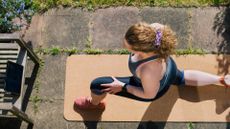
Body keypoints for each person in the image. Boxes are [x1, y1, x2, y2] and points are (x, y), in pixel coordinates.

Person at [74, 22, 230, 110]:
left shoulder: (148, 72)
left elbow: (149, 94)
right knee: (181, 77)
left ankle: (94, 104)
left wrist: (122, 86)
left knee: (98, 84)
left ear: (143, 51)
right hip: (170, 68)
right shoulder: (156, 31)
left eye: (129, 47)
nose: (125, 47)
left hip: (156, 85)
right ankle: (220, 79)